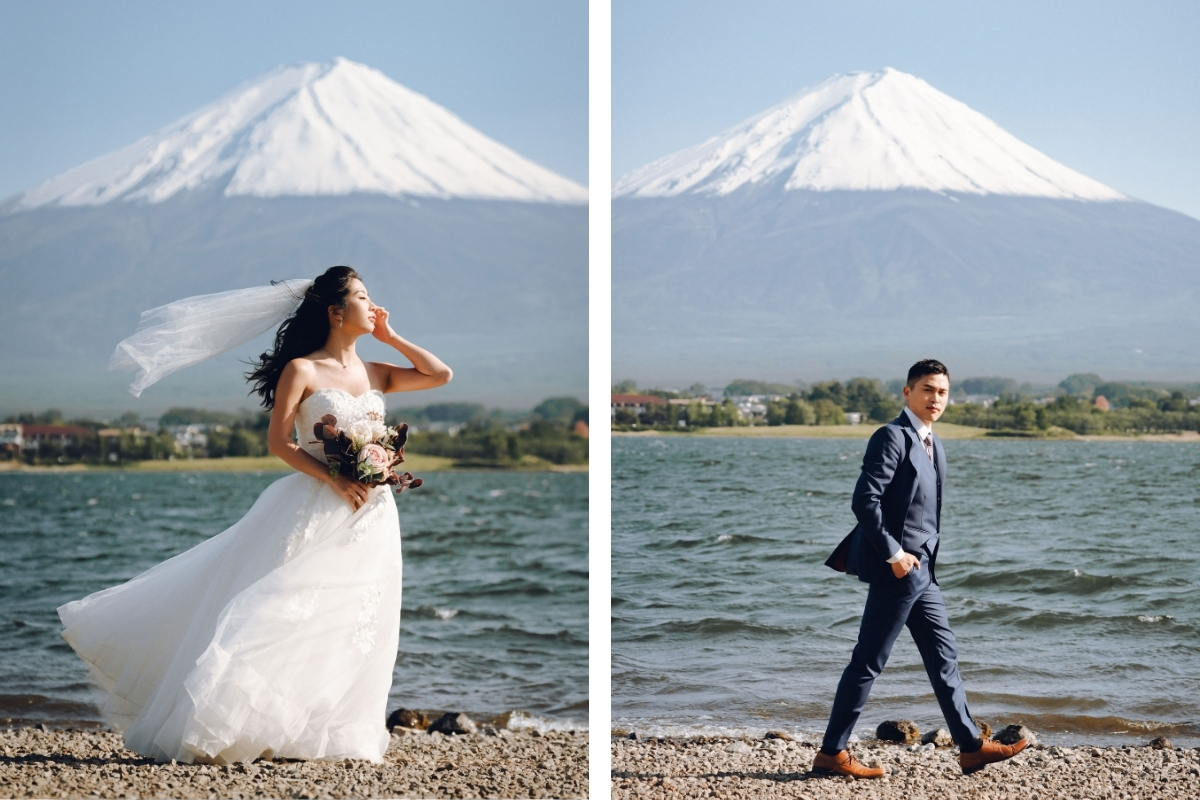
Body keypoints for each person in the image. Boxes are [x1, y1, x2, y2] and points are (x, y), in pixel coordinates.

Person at [57, 266, 452, 764]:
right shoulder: (303, 370)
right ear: (335, 312)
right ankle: (228, 724)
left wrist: (392, 337)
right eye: (363, 297)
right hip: (316, 505)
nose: (373, 306)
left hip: (371, 518)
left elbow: (440, 375)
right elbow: (279, 443)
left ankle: (319, 733)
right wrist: (335, 477)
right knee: (280, 610)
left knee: (354, 620)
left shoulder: (374, 371)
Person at [814, 359, 1026, 778]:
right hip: (899, 569)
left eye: (943, 392)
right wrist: (894, 555)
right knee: (868, 662)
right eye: (928, 389)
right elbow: (864, 500)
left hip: (923, 571)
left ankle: (970, 747)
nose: (936, 399)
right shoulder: (891, 436)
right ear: (907, 392)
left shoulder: (933, 441)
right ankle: (832, 753)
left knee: (943, 655)